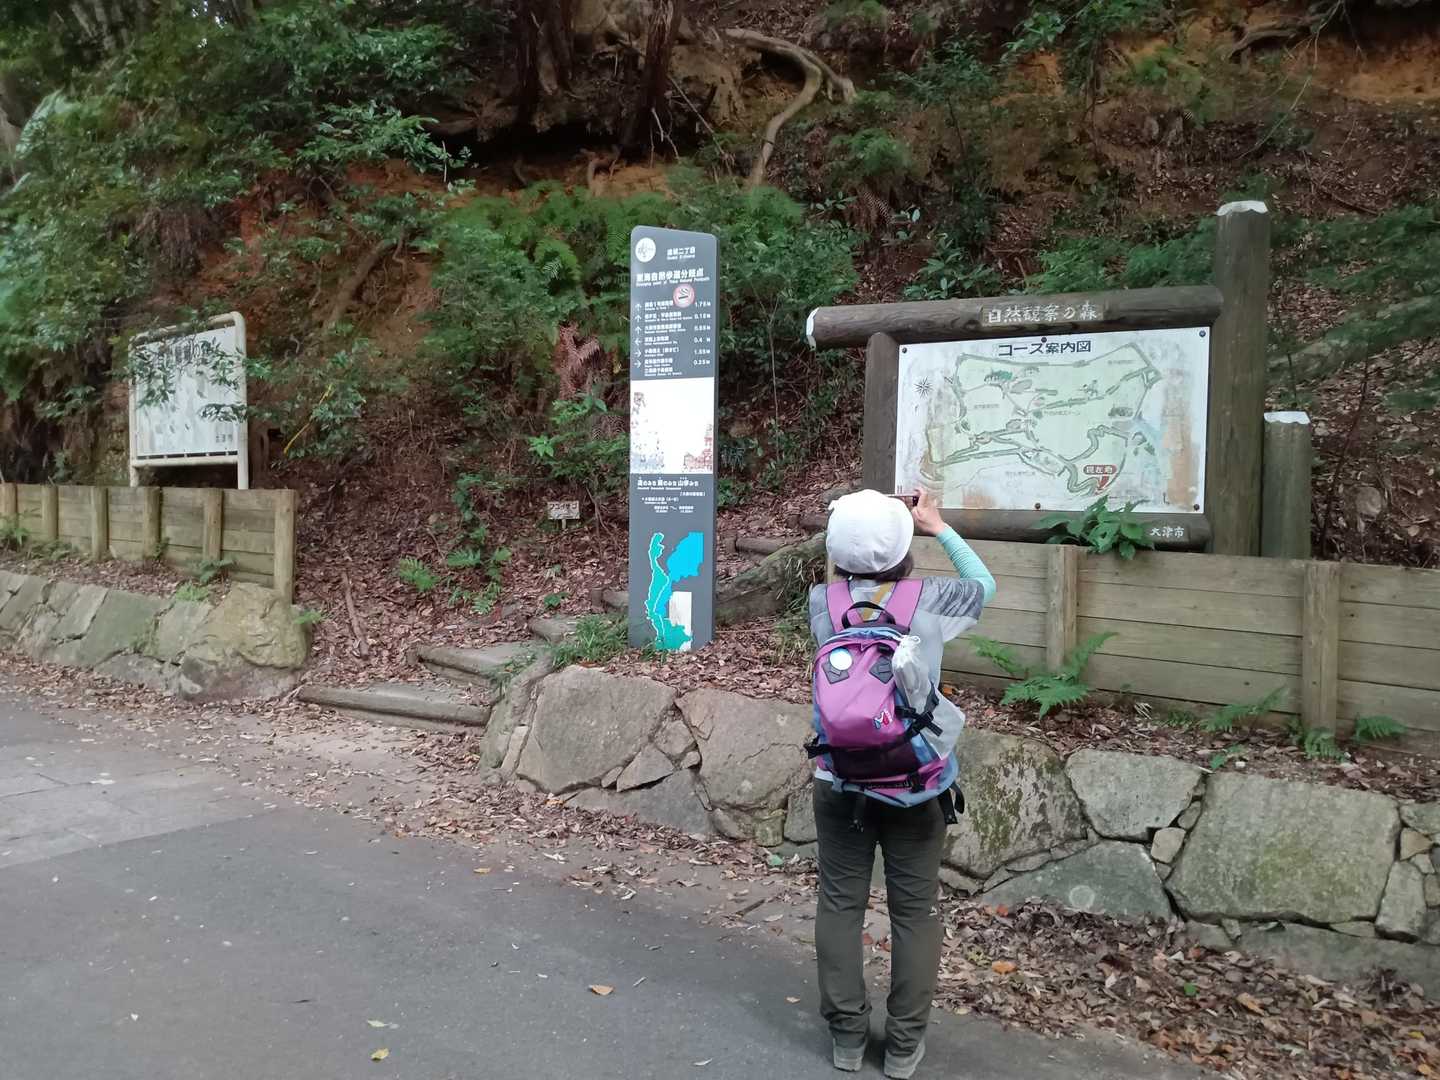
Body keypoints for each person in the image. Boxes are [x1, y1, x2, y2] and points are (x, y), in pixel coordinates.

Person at [807, 488, 995, 1078]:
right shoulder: (932, 599)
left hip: (839, 777)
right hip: (917, 785)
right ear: (903, 545)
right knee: (915, 913)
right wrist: (938, 526)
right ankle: (904, 1045)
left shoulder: (821, 600)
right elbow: (984, 584)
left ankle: (846, 1038)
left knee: (840, 903)